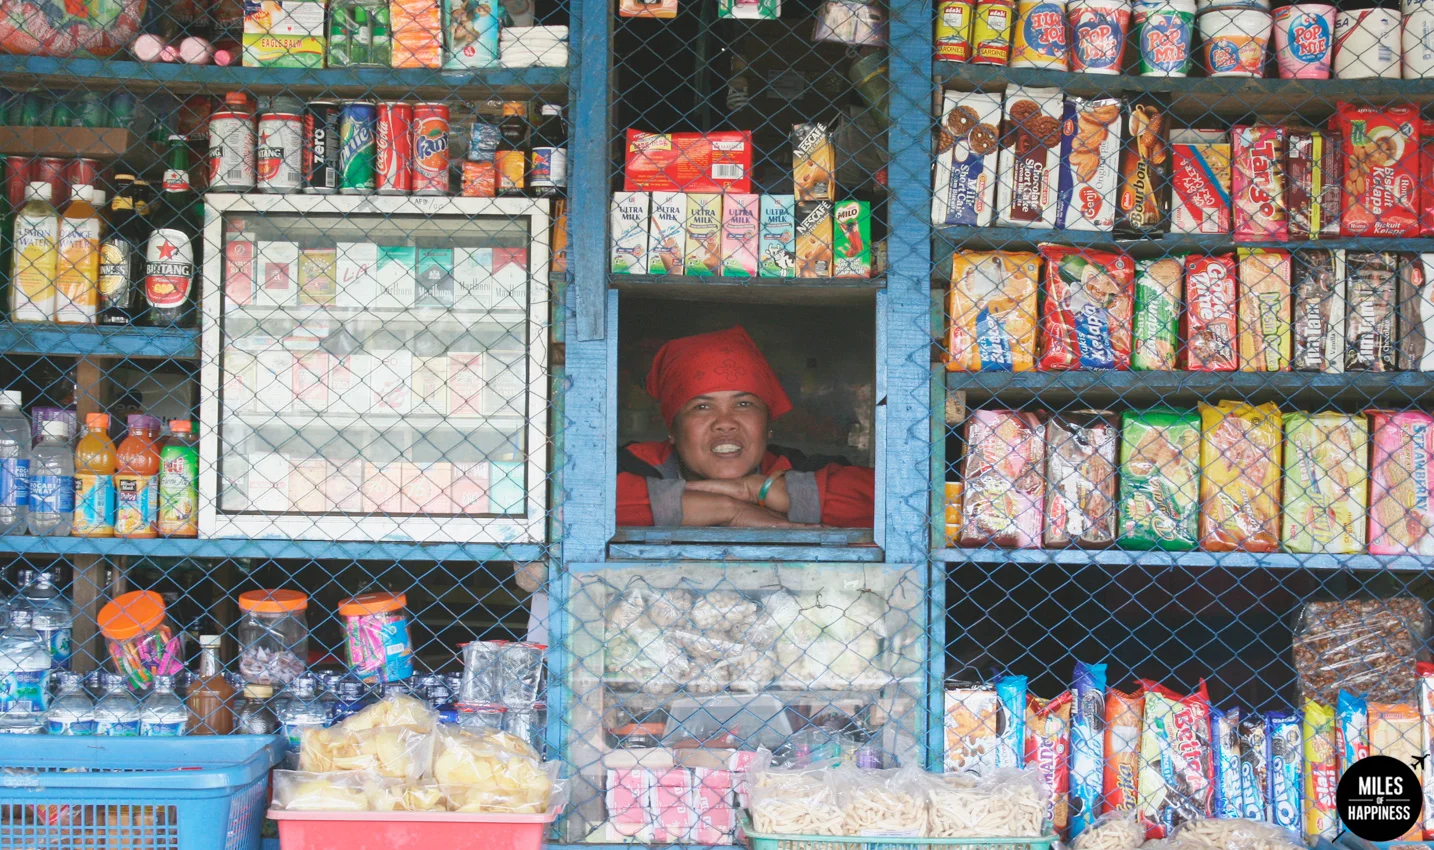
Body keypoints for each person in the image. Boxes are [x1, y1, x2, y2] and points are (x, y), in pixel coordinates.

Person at [617, 325, 875, 528]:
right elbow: (585, 502)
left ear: (768, 425)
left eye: (743, 404)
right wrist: (731, 510)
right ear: (672, 430)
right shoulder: (635, 465)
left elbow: (896, 503)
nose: (725, 423)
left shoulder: (798, 468)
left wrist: (755, 489)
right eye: (702, 407)